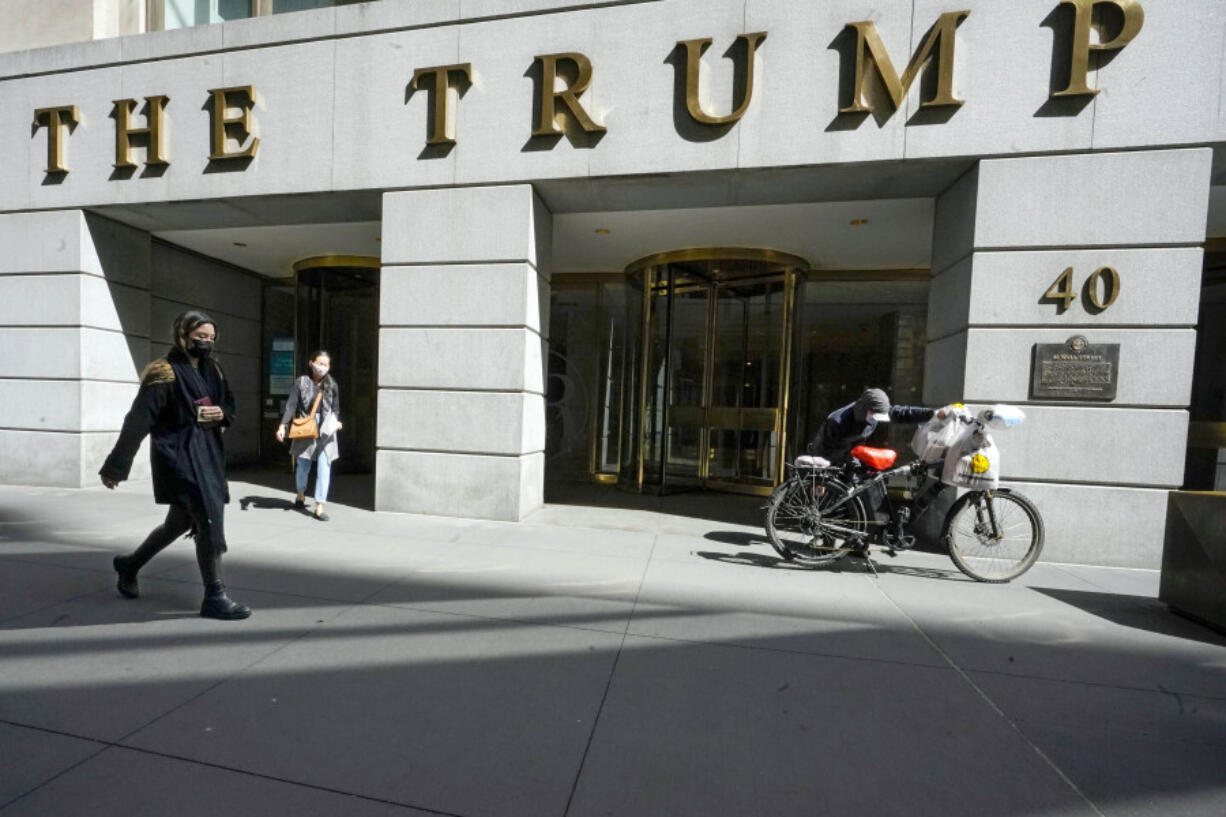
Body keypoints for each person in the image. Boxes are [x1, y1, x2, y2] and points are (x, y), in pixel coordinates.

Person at [100, 310, 251, 620]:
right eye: (200, 337)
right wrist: (116, 466)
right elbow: (137, 421)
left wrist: (221, 413)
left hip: (207, 453)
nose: (206, 343)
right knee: (207, 517)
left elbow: (230, 403)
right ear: (183, 336)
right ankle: (215, 595)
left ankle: (130, 565)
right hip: (178, 457)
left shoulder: (214, 369)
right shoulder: (164, 372)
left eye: (211, 338)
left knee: (179, 523)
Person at [275, 350, 342, 521]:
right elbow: (291, 405)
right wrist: (283, 425)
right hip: (306, 426)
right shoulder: (302, 382)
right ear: (311, 363)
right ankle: (300, 493)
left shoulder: (331, 384)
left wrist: (337, 422)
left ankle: (319, 506)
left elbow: (335, 408)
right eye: (319, 363)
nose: (322, 367)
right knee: (303, 464)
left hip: (326, 429)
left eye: (326, 365)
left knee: (324, 466)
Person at [804, 387, 936, 465]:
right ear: (866, 410)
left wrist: (933, 414)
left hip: (853, 451)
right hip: (831, 455)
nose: (875, 419)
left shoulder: (877, 409)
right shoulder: (837, 422)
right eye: (874, 415)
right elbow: (824, 449)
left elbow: (904, 412)